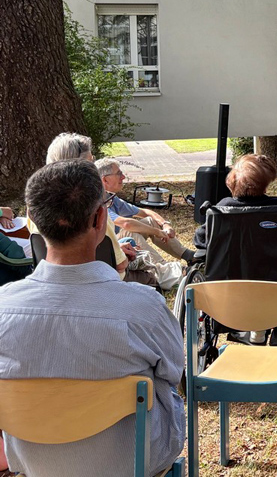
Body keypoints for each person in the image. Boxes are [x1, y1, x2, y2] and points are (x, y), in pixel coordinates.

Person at [0, 160, 184, 476]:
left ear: (32, 219)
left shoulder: (3, 306)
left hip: (33, 460)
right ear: (101, 219)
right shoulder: (144, 308)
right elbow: (174, 372)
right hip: (135, 460)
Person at [193, 153, 277, 345]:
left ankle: (254, 330)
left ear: (232, 182)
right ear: (266, 182)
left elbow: (200, 239)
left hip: (229, 299)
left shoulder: (219, 210)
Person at [36, 132, 130, 279]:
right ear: (78, 168)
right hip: (103, 284)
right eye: (91, 162)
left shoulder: (35, 208)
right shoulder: (95, 210)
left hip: (52, 280)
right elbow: (120, 264)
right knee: (149, 278)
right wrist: (121, 254)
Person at [96, 158, 195, 265]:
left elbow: (146, 212)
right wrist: (158, 232)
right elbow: (126, 224)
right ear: (105, 180)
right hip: (105, 251)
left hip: (115, 245)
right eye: (119, 174)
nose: (123, 177)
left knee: (150, 221)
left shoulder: (110, 197)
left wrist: (165, 224)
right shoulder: (97, 201)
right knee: (129, 233)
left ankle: (190, 256)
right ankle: (165, 269)